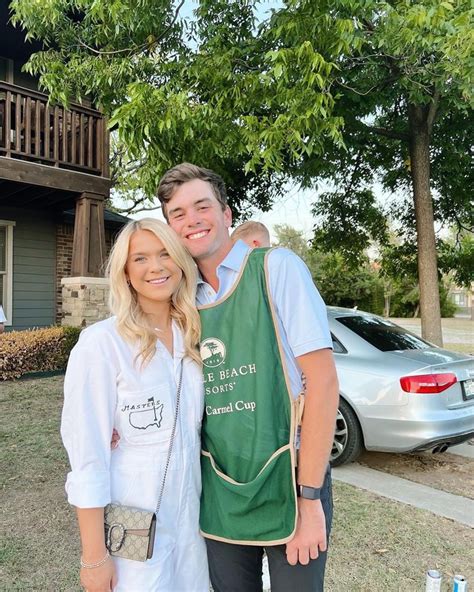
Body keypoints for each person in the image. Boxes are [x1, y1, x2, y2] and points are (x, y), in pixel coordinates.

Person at [157, 163, 339, 592]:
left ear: (226, 213)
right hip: (220, 487)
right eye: (178, 214)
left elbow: (324, 384)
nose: (191, 220)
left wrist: (310, 498)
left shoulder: (277, 268)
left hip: (289, 480)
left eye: (202, 206)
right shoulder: (183, 300)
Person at [61, 218, 209, 592]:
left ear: (180, 262)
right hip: (132, 531)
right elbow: (88, 455)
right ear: (125, 273)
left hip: (194, 525)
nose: (156, 267)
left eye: (164, 255)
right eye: (140, 258)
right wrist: (94, 557)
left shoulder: (194, 337)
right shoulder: (101, 344)